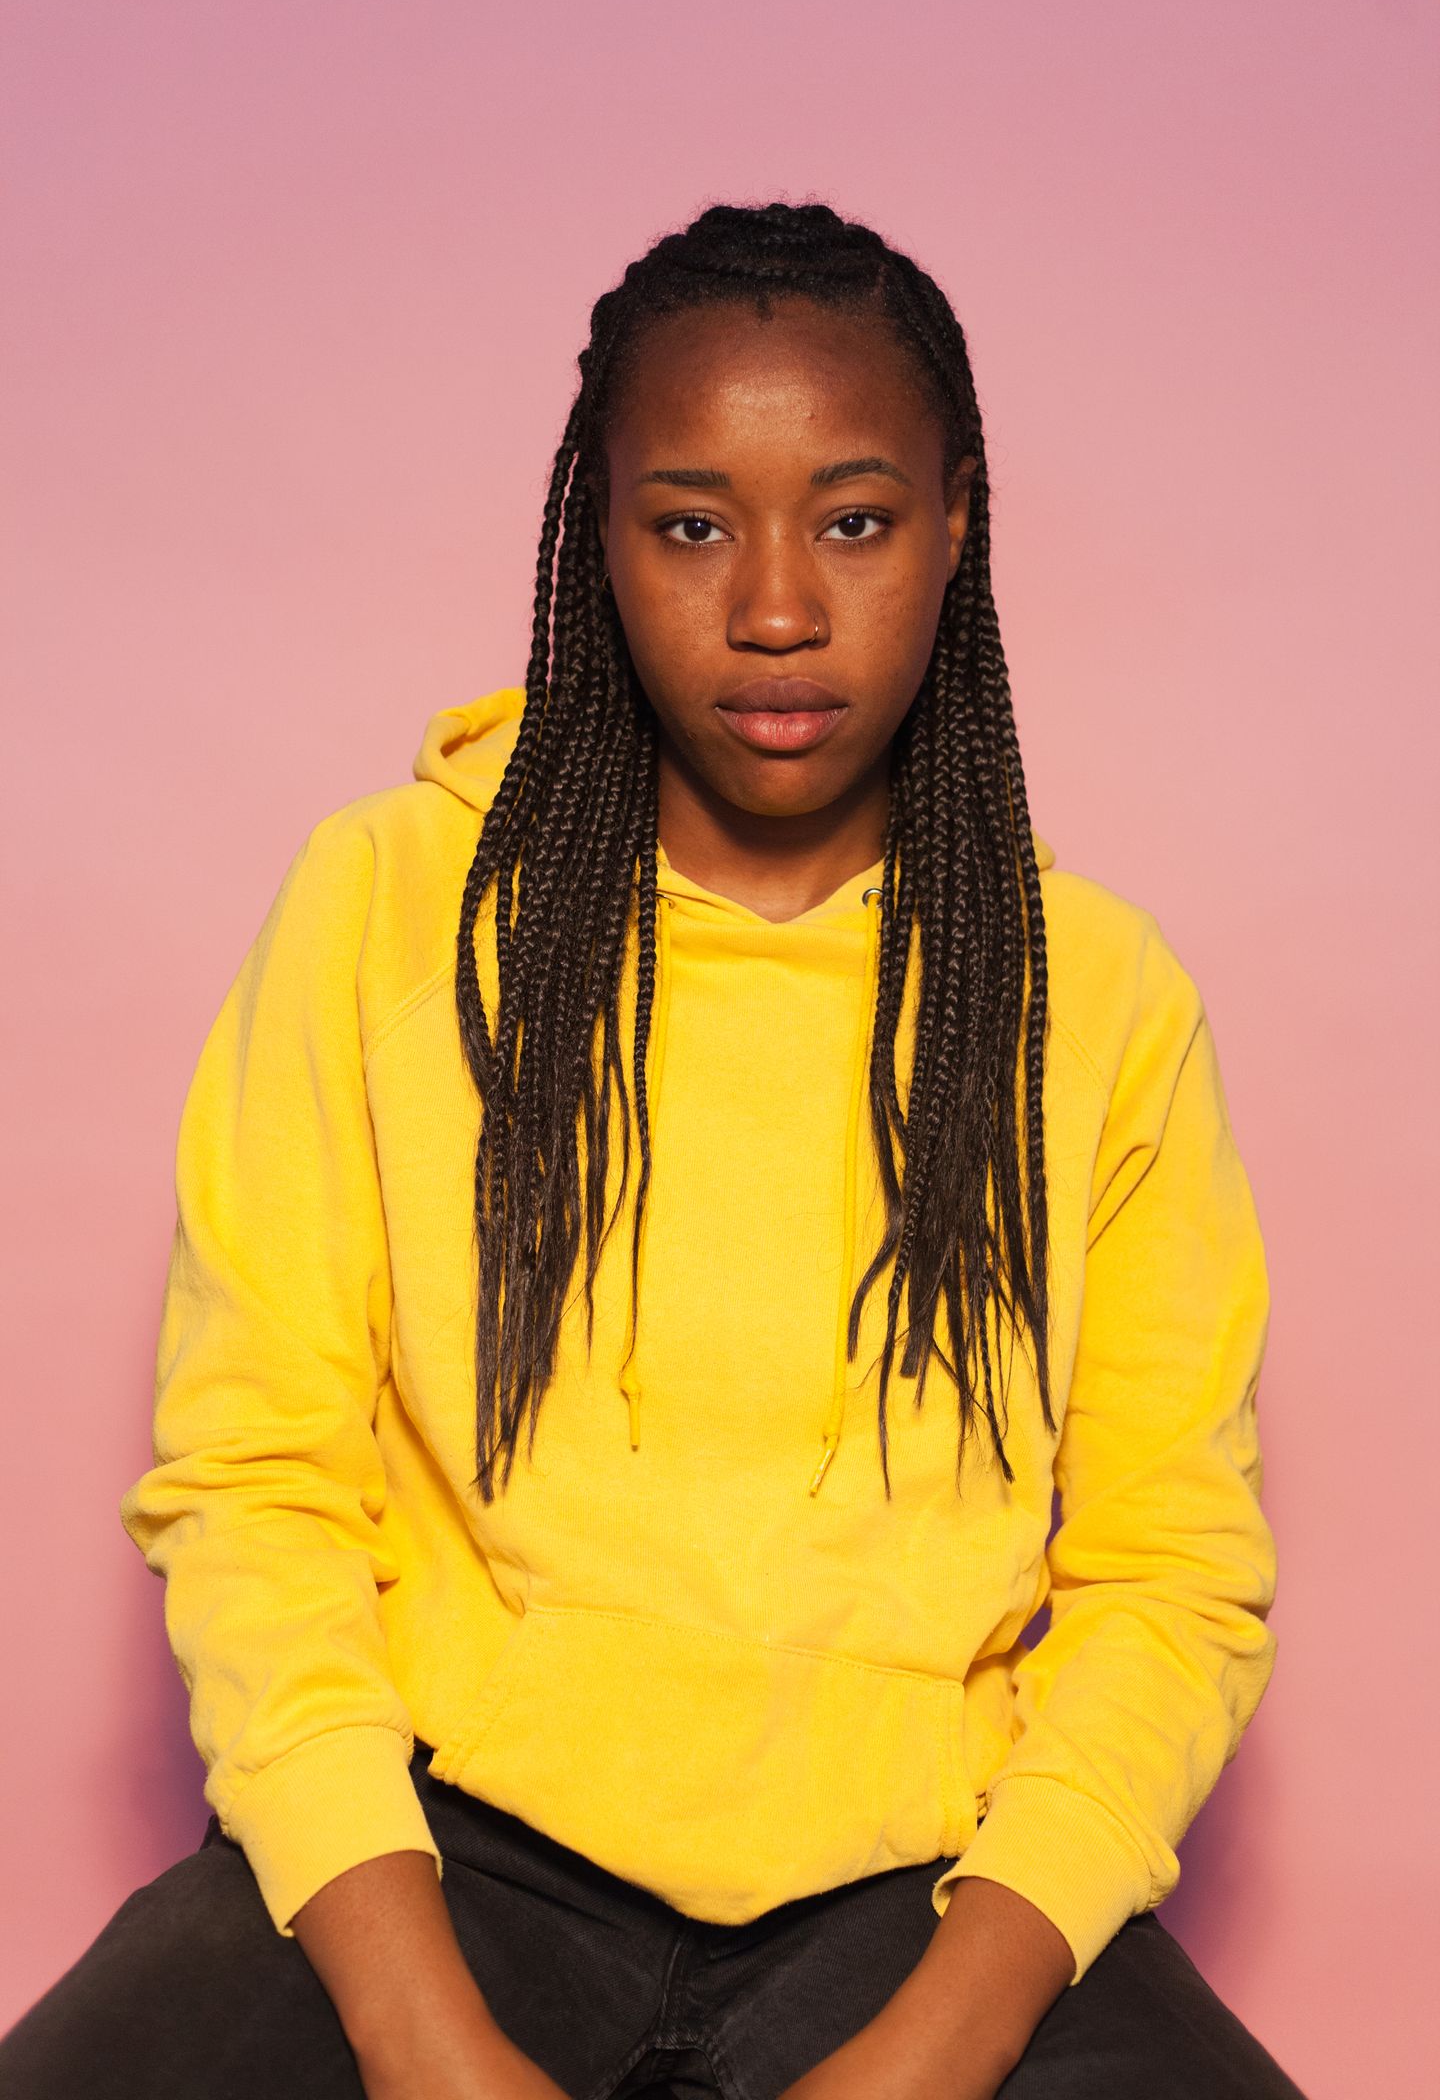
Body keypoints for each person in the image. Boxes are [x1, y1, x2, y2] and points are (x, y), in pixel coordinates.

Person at [0, 201, 1307, 2099]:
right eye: (692, 526)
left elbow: (1168, 1579)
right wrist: (421, 2032)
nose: (775, 609)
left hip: (926, 1887)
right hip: (442, 1848)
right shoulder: (387, 906)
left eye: (854, 522)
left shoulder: (1093, 997)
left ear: (958, 524)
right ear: (594, 534)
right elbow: (256, 1484)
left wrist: (935, 2051)